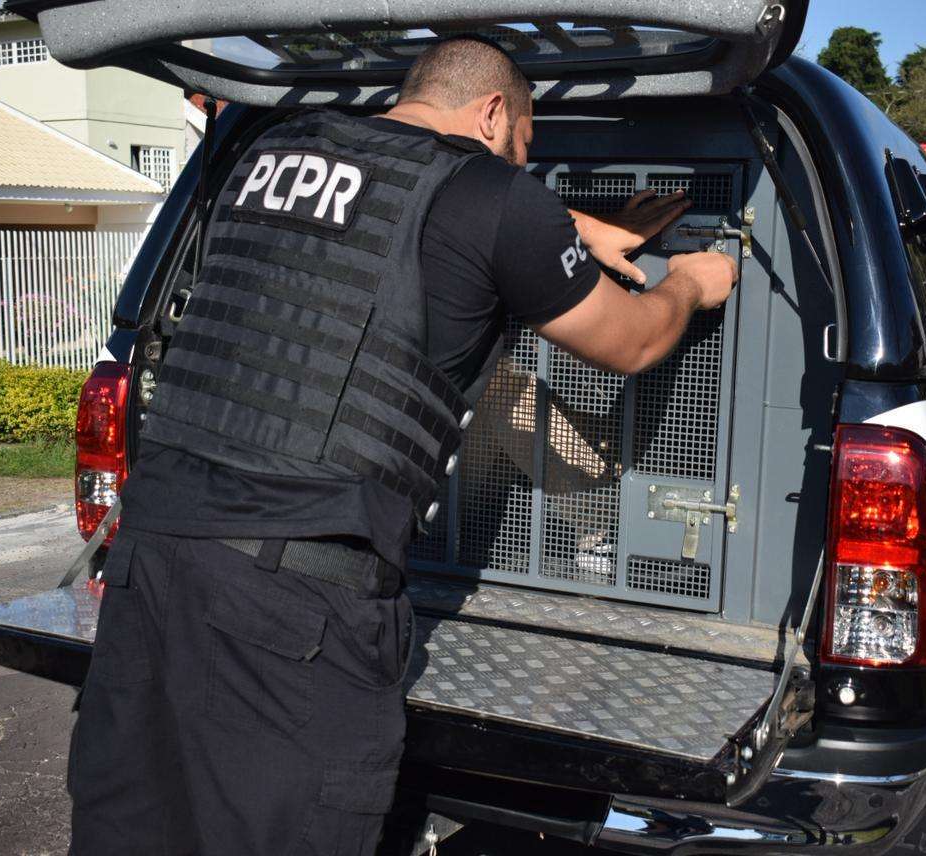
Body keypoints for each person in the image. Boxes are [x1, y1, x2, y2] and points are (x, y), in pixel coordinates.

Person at [66, 35, 736, 856]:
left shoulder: (274, 147)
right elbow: (632, 341)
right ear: (493, 113)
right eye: (524, 145)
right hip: (293, 610)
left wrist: (575, 228)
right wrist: (689, 283)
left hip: (149, 565)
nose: (522, 165)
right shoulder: (495, 198)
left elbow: (409, 214)